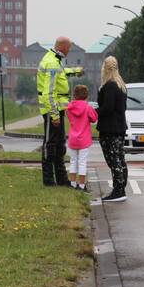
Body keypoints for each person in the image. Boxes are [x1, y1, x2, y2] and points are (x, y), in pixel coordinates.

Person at [37, 36, 83, 186]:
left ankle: (62, 179)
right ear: (63, 47)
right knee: (50, 144)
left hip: (57, 109)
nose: (69, 50)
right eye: (69, 48)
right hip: (53, 111)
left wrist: (75, 71)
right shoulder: (52, 62)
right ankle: (49, 179)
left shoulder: (55, 60)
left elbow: (61, 73)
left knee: (59, 144)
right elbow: (48, 93)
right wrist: (54, 115)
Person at [97, 55, 128, 202]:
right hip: (120, 127)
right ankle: (121, 187)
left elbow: (107, 108)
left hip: (110, 128)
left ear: (105, 68)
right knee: (120, 158)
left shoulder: (109, 85)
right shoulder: (121, 85)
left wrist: (94, 112)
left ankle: (118, 190)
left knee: (113, 159)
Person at [65, 84, 97, 191]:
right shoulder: (88, 107)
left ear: (74, 95)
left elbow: (69, 118)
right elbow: (94, 119)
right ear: (86, 95)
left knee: (73, 161)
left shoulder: (69, 107)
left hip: (72, 139)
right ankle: (82, 185)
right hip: (84, 139)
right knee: (82, 162)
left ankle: (73, 183)